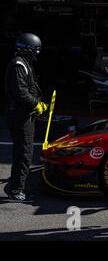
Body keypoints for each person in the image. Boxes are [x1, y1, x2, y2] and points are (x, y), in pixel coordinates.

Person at [4, 33, 48, 202]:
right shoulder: (17, 65)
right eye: (35, 50)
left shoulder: (24, 63)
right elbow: (21, 92)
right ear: (28, 49)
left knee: (25, 152)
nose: (37, 54)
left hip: (24, 115)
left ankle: (17, 186)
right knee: (23, 153)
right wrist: (36, 104)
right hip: (20, 116)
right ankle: (16, 190)